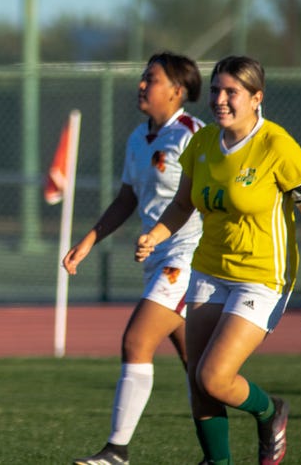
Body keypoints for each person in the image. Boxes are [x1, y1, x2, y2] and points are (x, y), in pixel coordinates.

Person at [135, 55, 301, 465]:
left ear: (257, 98)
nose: (220, 100)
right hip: (209, 269)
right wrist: (155, 235)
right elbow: (184, 202)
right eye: (215, 91)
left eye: (232, 92)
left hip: (263, 278)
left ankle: (270, 411)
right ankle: (216, 461)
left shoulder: (277, 146)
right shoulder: (204, 141)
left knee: (214, 376)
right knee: (197, 380)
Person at [62, 52, 205, 465]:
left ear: (177, 91)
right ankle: (260, 419)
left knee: (136, 340)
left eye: (152, 79)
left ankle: (116, 451)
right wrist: (89, 240)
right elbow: (127, 198)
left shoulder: (193, 136)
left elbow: (199, 200)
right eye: (143, 78)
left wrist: (164, 235)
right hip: (154, 260)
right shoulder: (136, 138)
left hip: (187, 257)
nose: (142, 85)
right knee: (199, 367)